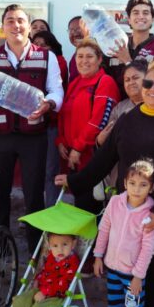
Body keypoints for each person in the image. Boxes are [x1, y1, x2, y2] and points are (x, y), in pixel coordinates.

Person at [55, 61, 154, 307]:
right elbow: (104, 159)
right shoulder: (129, 119)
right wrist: (74, 181)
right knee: (128, 267)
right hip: (126, 210)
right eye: (148, 84)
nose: (153, 89)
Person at [0, 4, 64, 252]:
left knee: (34, 195)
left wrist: (49, 103)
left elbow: (57, 90)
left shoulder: (46, 56)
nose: (16, 25)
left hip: (34, 136)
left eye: (21, 20)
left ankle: (35, 250)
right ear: (4, 27)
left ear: (29, 26)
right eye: (10, 21)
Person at [93, 159, 154, 307]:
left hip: (133, 276)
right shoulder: (115, 203)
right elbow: (104, 229)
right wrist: (98, 256)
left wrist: (138, 276)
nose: (136, 189)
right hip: (112, 267)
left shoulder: (150, 214)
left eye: (143, 185)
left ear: (152, 187)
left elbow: (148, 249)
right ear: (124, 183)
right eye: (132, 183)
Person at [56, 39, 119, 212]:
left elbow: (99, 120)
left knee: (91, 206)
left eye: (89, 56)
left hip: (91, 156)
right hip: (73, 157)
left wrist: (78, 147)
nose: (84, 60)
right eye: (80, 56)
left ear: (100, 60)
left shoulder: (105, 82)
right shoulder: (75, 82)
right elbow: (64, 113)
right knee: (80, 205)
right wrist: (61, 140)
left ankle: (94, 240)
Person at [32, 29, 71, 208]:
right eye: (36, 45)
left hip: (52, 124)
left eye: (44, 45)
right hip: (34, 125)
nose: (40, 49)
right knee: (35, 172)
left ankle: (50, 210)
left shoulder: (59, 62)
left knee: (50, 171)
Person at [111, 0, 154, 86]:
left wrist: (128, 62)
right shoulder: (118, 44)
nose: (141, 16)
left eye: (145, 13)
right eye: (135, 13)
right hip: (117, 99)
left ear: (152, 19)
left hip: (145, 100)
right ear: (129, 19)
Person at [66, 16, 90, 82]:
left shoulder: (99, 54)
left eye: (79, 29)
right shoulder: (74, 57)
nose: (76, 33)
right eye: (71, 30)